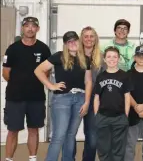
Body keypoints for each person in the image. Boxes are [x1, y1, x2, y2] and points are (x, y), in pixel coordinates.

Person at [34, 31, 92, 161]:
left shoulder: (85, 59)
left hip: (80, 99)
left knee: (71, 135)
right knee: (59, 135)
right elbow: (38, 70)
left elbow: (88, 81)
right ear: (65, 44)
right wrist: (51, 85)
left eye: (74, 40)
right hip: (62, 99)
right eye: (69, 42)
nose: (72, 43)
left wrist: (87, 102)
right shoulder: (59, 56)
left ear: (79, 41)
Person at [2, 17, 51, 161]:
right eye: (27, 26)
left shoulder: (43, 49)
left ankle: (32, 158)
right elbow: (5, 73)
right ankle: (9, 159)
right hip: (15, 97)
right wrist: (19, 85)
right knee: (12, 131)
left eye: (33, 26)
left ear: (38, 29)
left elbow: (46, 72)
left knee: (33, 129)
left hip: (36, 97)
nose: (30, 29)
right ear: (22, 28)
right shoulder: (13, 48)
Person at [93, 46, 132, 161]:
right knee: (103, 148)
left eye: (115, 57)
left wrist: (125, 115)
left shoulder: (124, 76)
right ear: (104, 59)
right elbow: (96, 98)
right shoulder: (101, 76)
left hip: (119, 117)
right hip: (103, 117)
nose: (112, 59)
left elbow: (127, 97)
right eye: (109, 57)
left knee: (118, 149)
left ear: (119, 59)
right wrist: (96, 115)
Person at [72, 26, 104, 161]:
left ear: (95, 38)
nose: (89, 39)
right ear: (81, 39)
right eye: (86, 36)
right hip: (76, 98)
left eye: (92, 36)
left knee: (92, 137)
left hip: (94, 99)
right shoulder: (73, 55)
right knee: (70, 133)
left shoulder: (102, 58)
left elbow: (106, 79)